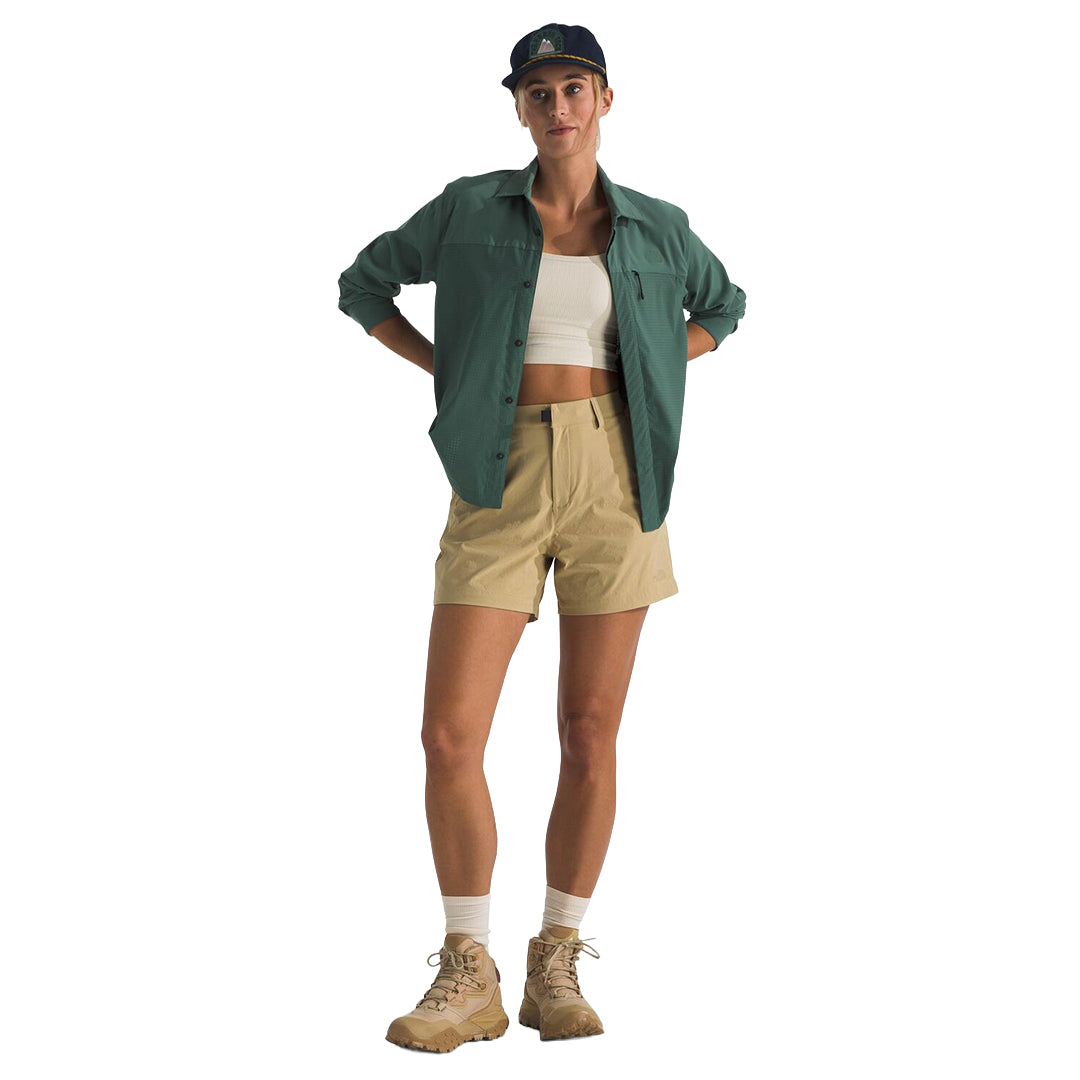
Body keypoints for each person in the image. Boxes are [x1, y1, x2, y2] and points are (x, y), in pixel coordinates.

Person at [337, 23, 746, 1052]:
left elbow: (724, 306)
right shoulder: (470, 209)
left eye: (574, 88)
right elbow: (363, 285)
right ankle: (467, 967)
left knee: (589, 731)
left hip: (619, 472)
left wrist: (657, 368)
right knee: (448, 735)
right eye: (537, 92)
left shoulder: (656, 226)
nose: (556, 107)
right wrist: (454, 370)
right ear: (518, 109)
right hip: (498, 470)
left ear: (605, 99)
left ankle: (555, 958)